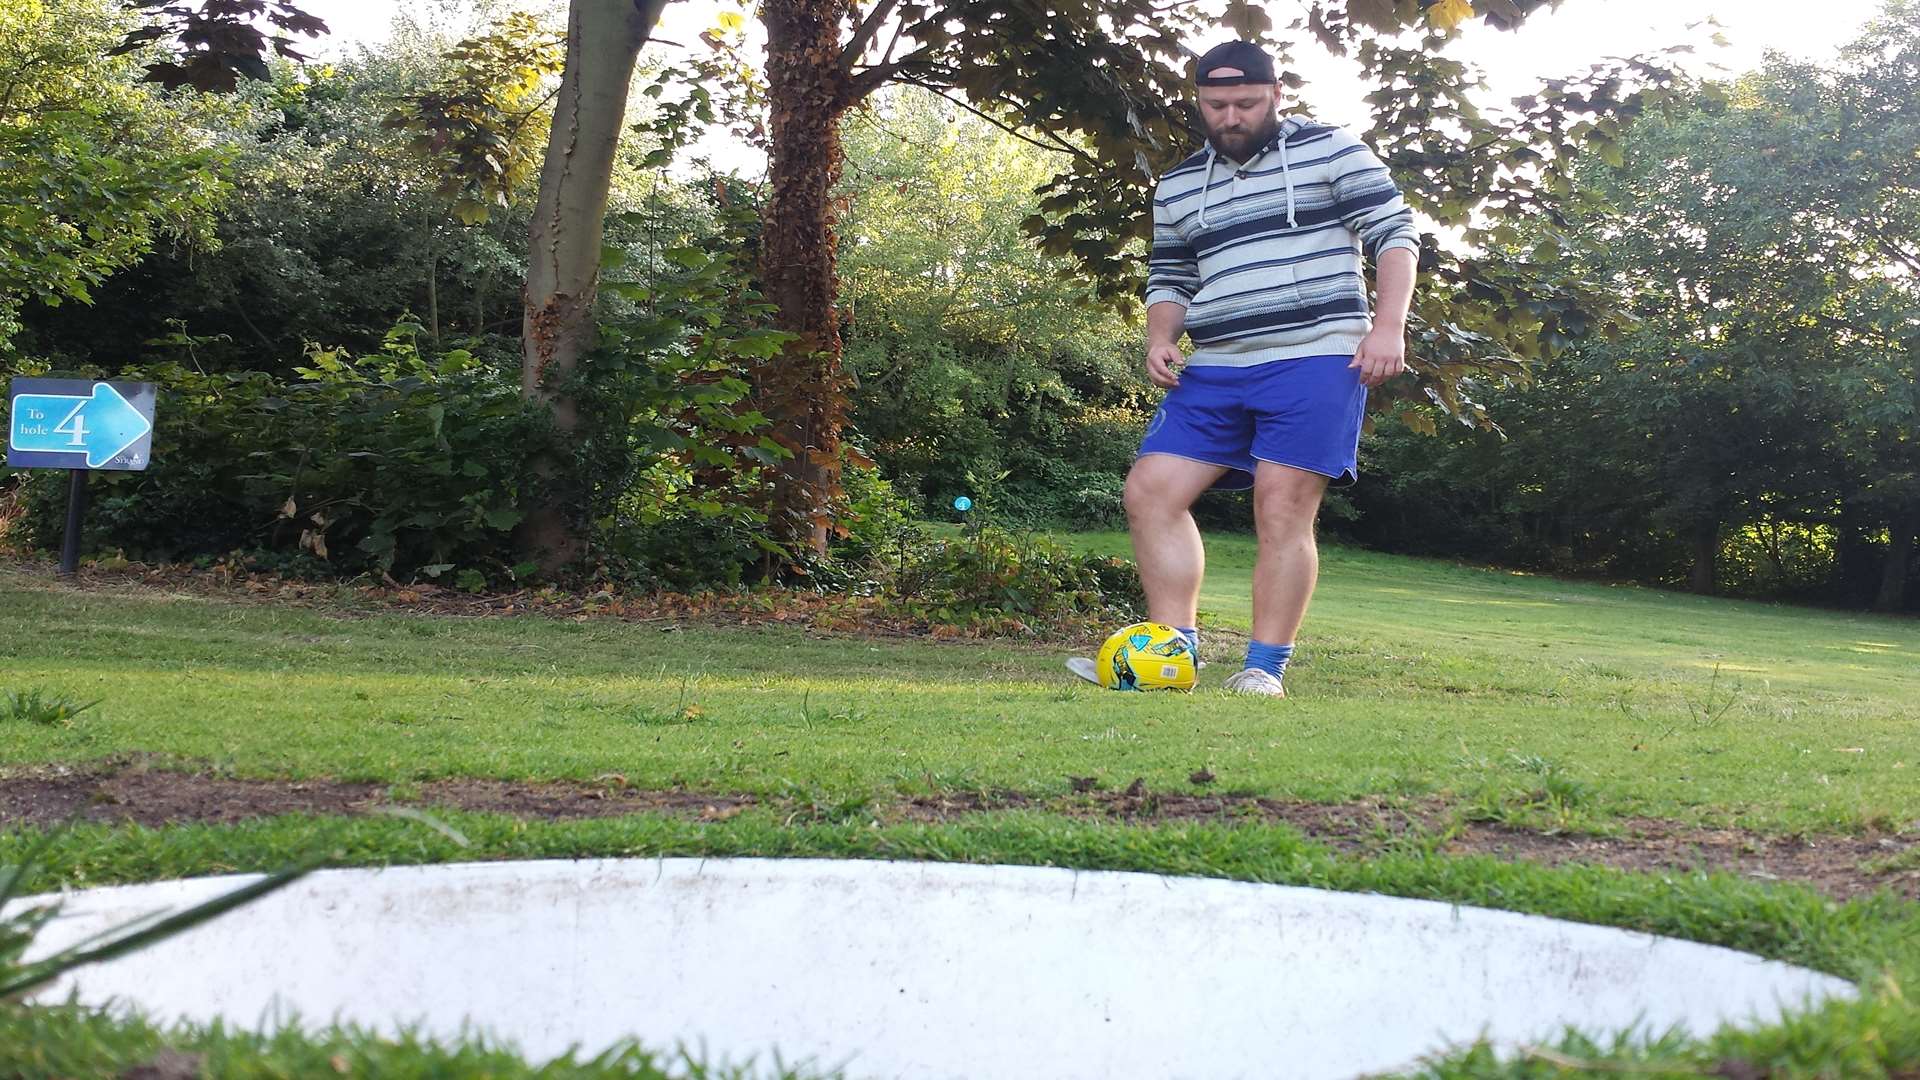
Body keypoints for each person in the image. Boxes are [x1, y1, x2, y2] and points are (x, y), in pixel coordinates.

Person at [1068, 39, 1419, 697]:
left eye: (1247, 103)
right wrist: (1159, 336)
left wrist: (1388, 325)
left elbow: (1394, 234)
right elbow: (1170, 274)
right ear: (1198, 102)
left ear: (1276, 95)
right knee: (1151, 490)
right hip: (1218, 365)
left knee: (1281, 506)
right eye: (1216, 104)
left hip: (1317, 355)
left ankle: (1264, 669)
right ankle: (1171, 657)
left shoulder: (1332, 150)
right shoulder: (1176, 186)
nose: (1231, 116)